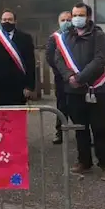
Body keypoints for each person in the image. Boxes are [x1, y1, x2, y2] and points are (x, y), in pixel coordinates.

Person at [54, 2, 105, 182]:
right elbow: (58, 58)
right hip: (73, 91)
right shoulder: (66, 37)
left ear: (88, 17)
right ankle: (84, 161)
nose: (77, 19)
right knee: (80, 128)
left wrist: (80, 78)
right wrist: (69, 76)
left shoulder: (99, 35)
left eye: (81, 15)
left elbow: (99, 59)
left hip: (96, 89)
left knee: (99, 128)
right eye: (74, 15)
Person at [0, 9, 36, 105]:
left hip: (18, 85)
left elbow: (30, 62)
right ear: (1, 21)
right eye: (4, 19)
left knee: (17, 116)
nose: (7, 22)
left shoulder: (25, 38)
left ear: (15, 21)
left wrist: (29, 86)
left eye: (10, 19)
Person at [45, 11, 72, 144]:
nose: (66, 22)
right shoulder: (54, 38)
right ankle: (60, 132)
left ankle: (83, 133)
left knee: (80, 107)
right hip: (61, 78)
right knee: (62, 105)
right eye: (63, 20)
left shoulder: (77, 36)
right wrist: (64, 73)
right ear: (59, 22)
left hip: (78, 78)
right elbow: (50, 58)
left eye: (69, 19)